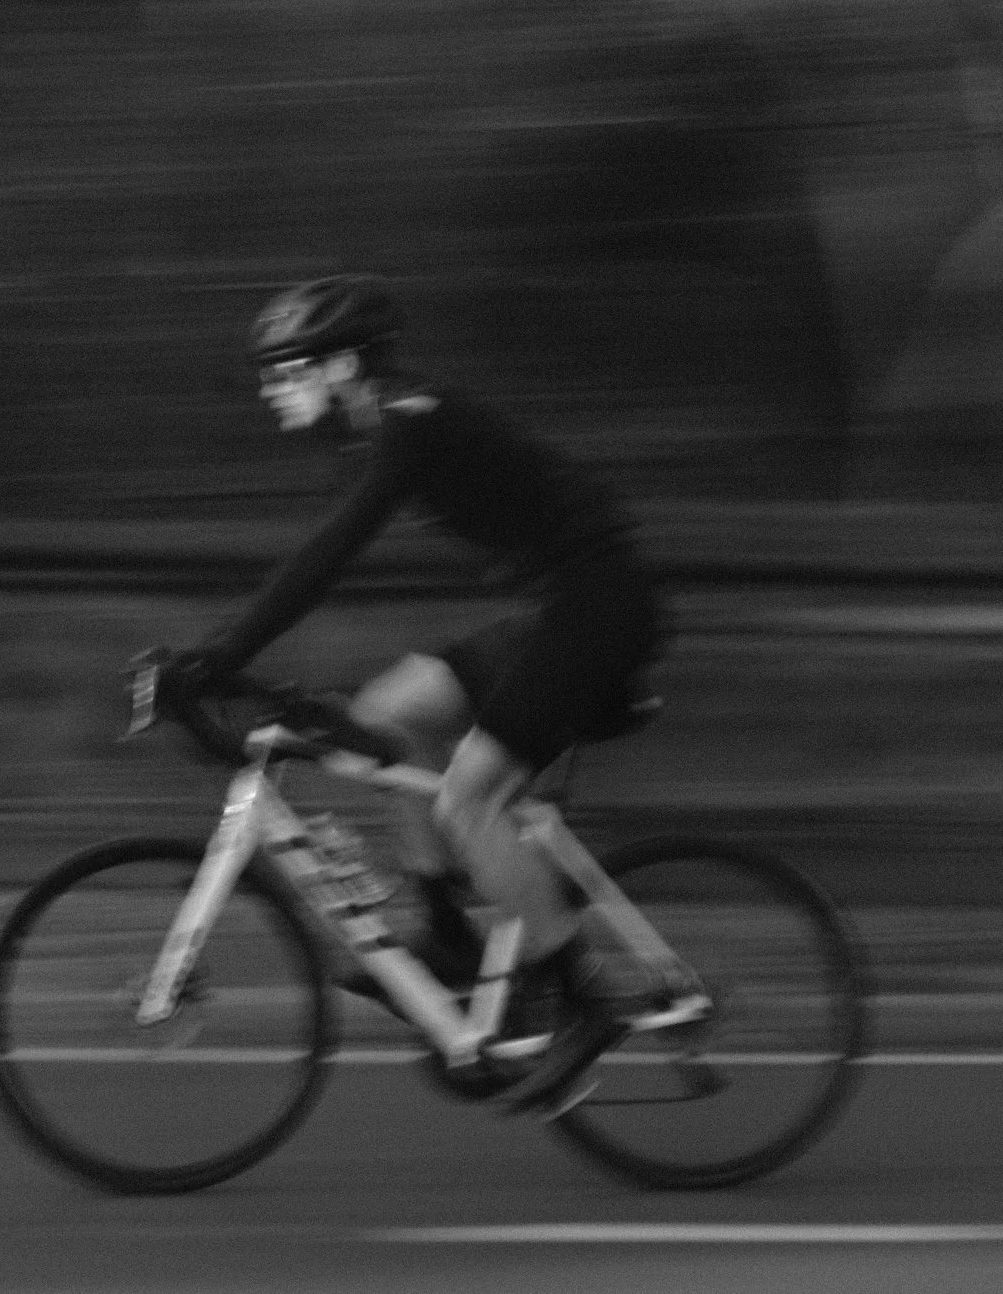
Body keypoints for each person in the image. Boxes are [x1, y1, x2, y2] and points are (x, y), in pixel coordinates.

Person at [168, 274, 667, 1113]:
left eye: (289, 369)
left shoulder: (410, 421)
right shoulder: (384, 425)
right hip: (560, 608)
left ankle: (582, 999)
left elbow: (328, 553)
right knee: (384, 715)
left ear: (347, 365)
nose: (272, 388)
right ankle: (444, 933)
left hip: (600, 612)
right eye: (270, 372)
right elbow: (318, 553)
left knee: (469, 802)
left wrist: (220, 652)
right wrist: (218, 656)